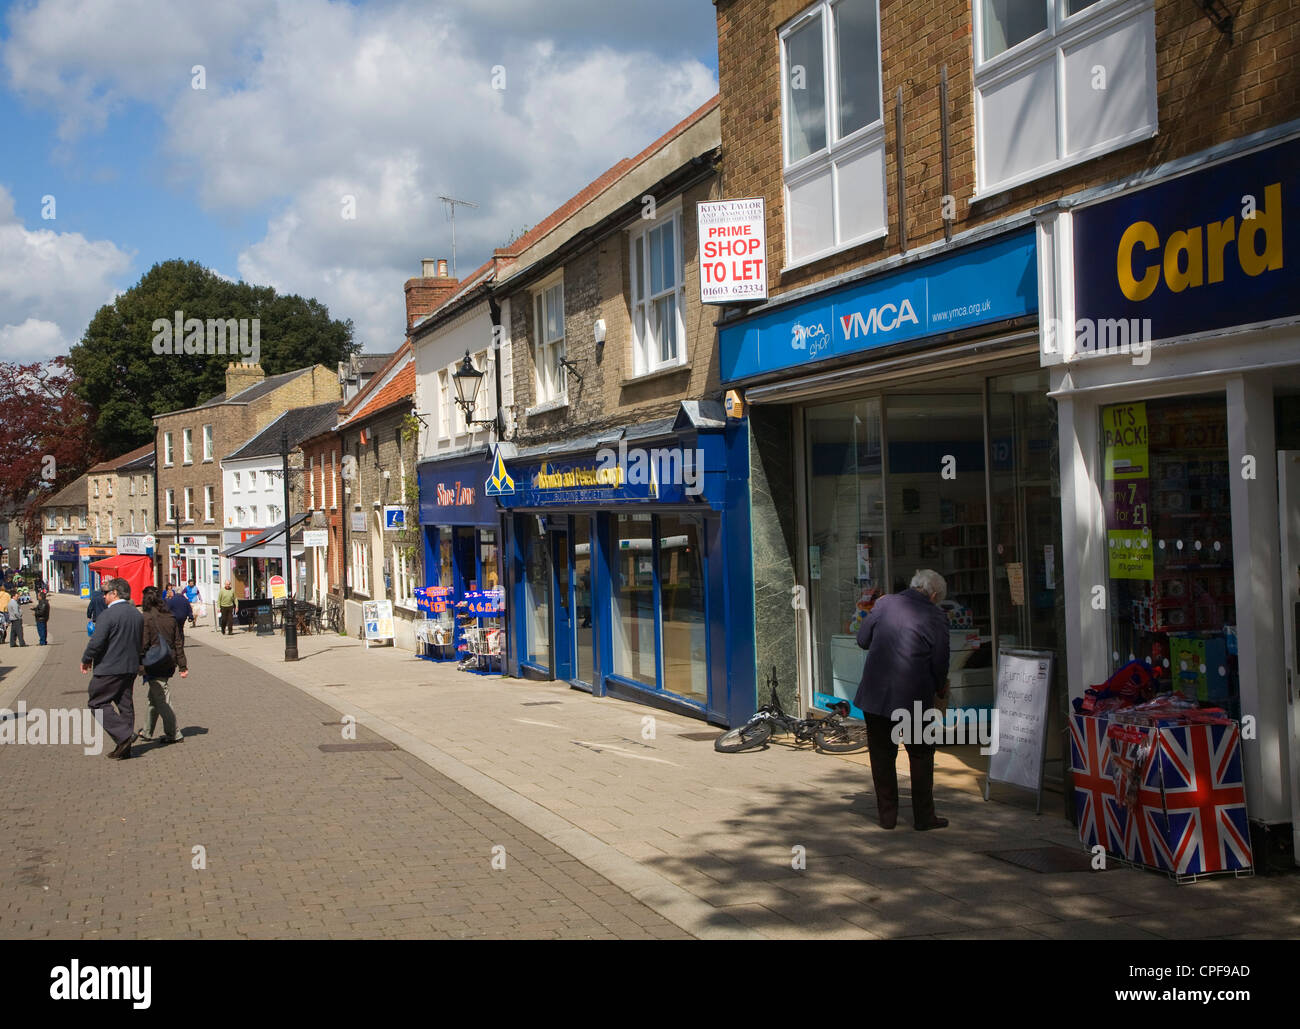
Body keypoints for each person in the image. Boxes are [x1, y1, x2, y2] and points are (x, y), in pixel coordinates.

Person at [853, 569, 952, 831]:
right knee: (921, 755)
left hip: (876, 696)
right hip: (914, 698)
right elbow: (940, 661)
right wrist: (941, 688)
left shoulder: (884, 603)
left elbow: (862, 640)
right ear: (933, 594)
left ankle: (887, 816)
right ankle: (923, 816)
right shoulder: (936, 616)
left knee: (882, 755)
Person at [81, 577, 145, 761]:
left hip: (109, 668)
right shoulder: (136, 614)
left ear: (115, 593)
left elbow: (97, 641)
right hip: (130, 667)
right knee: (125, 705)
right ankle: (124, 748)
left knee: (97, 702)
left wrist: (86, 659)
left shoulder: (108, 615)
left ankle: (124, 735)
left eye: (105, 593)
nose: (103, 597)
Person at [139, 586, 187, 745]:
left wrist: (138, 663)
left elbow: (143, 644)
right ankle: (147, 731)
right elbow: (178, 643)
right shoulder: (170, 617)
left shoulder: (146, 618)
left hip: (153, 662)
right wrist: (182, 665)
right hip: (168, 661)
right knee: (154, 697)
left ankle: (174, 733)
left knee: (162, 698)